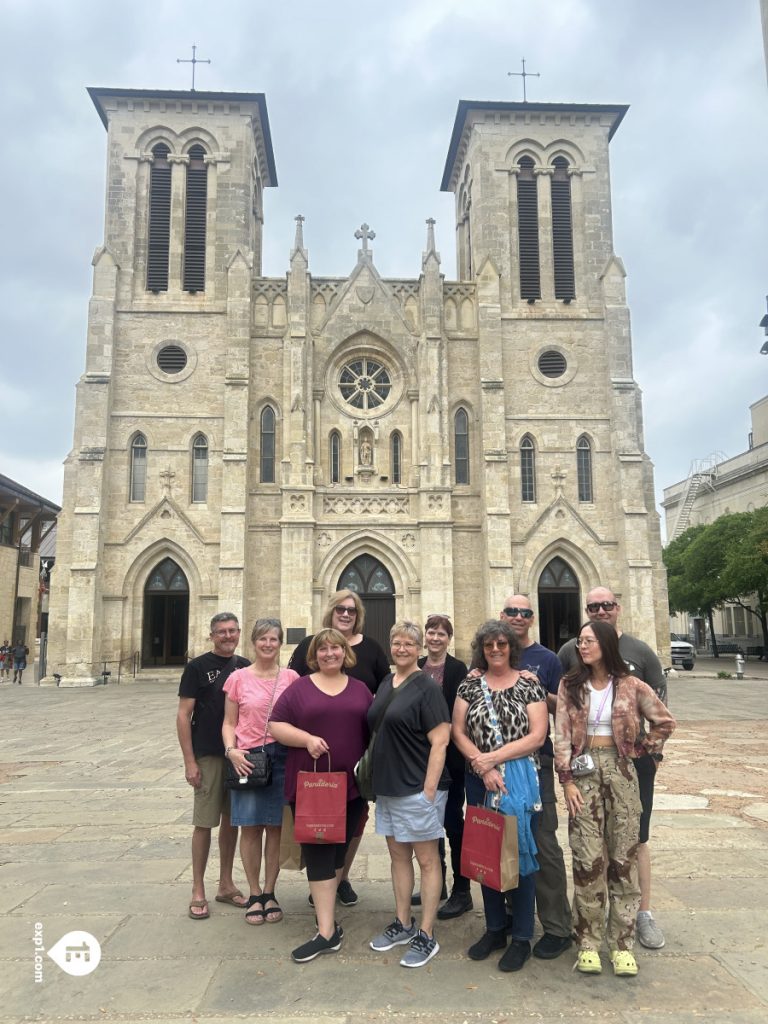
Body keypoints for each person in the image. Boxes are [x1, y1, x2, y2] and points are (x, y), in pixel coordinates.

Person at [555, 619, 675, 977]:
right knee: (587, 857)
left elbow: (665, 721)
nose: (582, 647)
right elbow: (561, 735)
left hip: (623, 771)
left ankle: (622, 943)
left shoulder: (631, 685)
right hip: (584, 773)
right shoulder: (570, 686)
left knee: (624, 855)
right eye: (580, 641)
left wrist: (643, 750)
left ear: (605, 644)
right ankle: (588, 942)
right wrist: (567, 782)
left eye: (589, 640)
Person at [270, 628, 372, 962]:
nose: (330, 653)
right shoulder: (300, 688)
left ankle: (327, 915)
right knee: (318, 855)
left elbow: (372, 732)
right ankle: (327, 931)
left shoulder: (360, 690)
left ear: (346, 652)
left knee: (338, 855)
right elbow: (276, 725)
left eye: (336, 648)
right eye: (323, 649)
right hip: (313, 789)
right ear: (315, 654)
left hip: (351, 790)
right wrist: (307, 739)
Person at [452, 619, 548, 973]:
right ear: (482, 649)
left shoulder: (528, 685)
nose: (495, 650)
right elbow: (457, 730)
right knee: (486, 855)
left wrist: (494, 758)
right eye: (489, 645)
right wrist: (481, 765)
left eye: (502, 645)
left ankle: (522, 936)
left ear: (511, 647)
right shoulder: (470, 684)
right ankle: (495, 929)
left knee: (520, 858)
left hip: (519, 781)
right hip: (481, 781)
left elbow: (538, 736)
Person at [288, 589, 390, 907]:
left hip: (356, 752)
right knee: (316, 819)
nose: (346, 614)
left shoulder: (372, 649)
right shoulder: (310, 645)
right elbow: (290, 686)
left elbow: (388, 688)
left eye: (352, 610)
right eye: (340, 609)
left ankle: (341, 877)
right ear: (330, 611)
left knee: (354, 820)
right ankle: (323, 879)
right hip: (313, 754)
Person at [368, 621, 451, 969]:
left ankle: (427, 934)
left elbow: (441, 739)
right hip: (389, 788)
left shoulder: (427, 687)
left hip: (417, 788)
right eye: (396, 642)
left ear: (419, 649)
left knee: (428, 860)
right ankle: (403, 923)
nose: (401, 648)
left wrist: (428, 790)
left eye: (408, 644)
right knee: (398, 856)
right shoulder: (388, 681)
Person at [499, 595, 572, 959]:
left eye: (524, 612)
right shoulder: (493, 655)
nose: (518, 617)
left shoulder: (547, 660)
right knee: (507, 841)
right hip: (498, 769)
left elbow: (565, 707)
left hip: (535, 766)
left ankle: (558, 926)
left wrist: (537, 691)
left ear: (532, 618)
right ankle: (516, 916)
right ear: (502, 616)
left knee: (543, 842)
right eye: (512, 611)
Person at [222, 618, 298, 925]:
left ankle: (270, 891)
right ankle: (254, 893)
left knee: (276, 827)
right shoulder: (238, 678)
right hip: (248, 759)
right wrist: (231, 750)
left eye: (274, 639)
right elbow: (229, 722)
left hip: (282, 757)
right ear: (253, 642)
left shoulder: (292, 678)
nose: (268, 644)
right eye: (263, 639)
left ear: (281, 644)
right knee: (251, 827)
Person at [176, 612, 250, 920]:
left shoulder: (245, 666)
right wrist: (189, 761)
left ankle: (226, 883)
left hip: (238, 755)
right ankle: (197, 889)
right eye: (222, 632)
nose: (228, 636)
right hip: (207, 753)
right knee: (204, 823)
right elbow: (183, 715)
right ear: (212, 635)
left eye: (232, 631)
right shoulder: (196, 667)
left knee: (232, 822)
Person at [414, 614, 472, 919]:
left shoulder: (457, 668)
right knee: (427, 824)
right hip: (420, 760)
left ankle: (462, 890)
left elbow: (456, 713)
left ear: (449, 639)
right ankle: (436, 883)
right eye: (431, 632)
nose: (435, 638)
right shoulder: (418, 665)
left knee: (452, 823)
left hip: (450, 762)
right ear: (425, 636)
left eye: (441, 634)